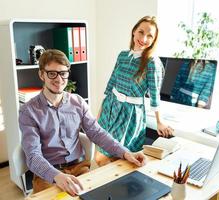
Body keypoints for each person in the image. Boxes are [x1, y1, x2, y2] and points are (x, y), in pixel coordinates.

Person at [19, 49, 146, 196]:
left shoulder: (77, 102)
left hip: (79, 167)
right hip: (48, 173)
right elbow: (33, 156)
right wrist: (57, 176)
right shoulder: (28, 111)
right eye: (52, 73)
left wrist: (126, 153)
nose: (59, 79)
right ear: (41, 74)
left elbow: (97, 133)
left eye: (63, 73)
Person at [95, 16, 174, 166]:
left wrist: (159, 121)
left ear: (154, 39)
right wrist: (100, 110)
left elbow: (155, 95)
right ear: (134, 32)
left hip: (129, 114)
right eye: (141, 32)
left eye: (150, 35)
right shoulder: (123, 55)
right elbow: (111, 82)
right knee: (100, 157)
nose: (143, 38)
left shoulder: (152, 63)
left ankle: (115, 188)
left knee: (114, 159)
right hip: (110, 107)